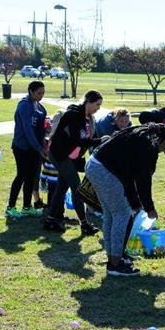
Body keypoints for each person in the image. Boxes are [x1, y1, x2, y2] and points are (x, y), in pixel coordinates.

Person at [84, 124, 165, 276]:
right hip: (104, 170)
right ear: (162, 140)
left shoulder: (143, 134)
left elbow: (129, 176)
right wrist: (149, 208)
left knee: (111, 215)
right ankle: (115, 264)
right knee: (121, 214)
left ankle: (114, 258)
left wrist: (137, 204)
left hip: (94, 164)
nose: (163, 150)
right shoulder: (148, 146)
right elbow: (143, 180)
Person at [44, 91, 103, 236]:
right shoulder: (74, 115)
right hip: (59, 154)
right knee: (77, 188)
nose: (98, 108)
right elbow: (77, 140)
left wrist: (102, 142)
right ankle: (84, 224)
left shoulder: (90, 118)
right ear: (88, 101)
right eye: (97, 104)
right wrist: (98, 141)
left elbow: (92, 137)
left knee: (62, 187)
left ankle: (50, 219)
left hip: (70, 157)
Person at [6, 81, 48, 218]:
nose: (41, 96)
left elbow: (41, 127)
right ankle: (10, 207)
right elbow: (27, 129)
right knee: (21, 175)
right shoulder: (24, 105)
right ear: (30, 91)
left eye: (43, 93)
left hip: (35, 148)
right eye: (38, 93)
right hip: (22, 147)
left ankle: (27, 206)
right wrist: (38, 148)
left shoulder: (40, 106)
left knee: (31, 177)